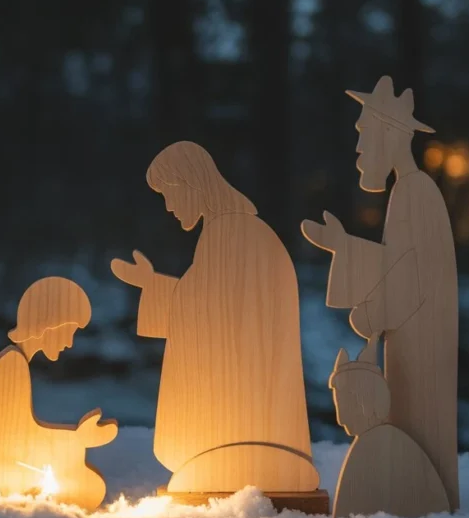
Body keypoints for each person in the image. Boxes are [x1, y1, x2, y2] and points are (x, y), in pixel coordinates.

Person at [111, 141, 318, 494]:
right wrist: (156, 286)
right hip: (247, 406)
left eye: (170, 194)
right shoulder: (228, 231)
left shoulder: (234, 233)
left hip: (253, 409)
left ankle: (232, 459)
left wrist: (166, 295)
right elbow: (212, 303)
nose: (170, 207)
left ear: (193, 184)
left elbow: (222, 316)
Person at [302, 77, 459, 509]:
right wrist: (346, 249)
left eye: (364, 133)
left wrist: (370, 316)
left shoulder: (415, 191)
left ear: (390, 133)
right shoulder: (408, 191)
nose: (358, 147)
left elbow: (418, 274)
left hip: (422, 347)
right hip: (410, 342)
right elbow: (401, 263)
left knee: (418, 430)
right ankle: (407, 494)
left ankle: (423, 497)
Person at [0, 277, 118, 512]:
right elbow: (16, 438)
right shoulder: (11, 367)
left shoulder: (15, 363)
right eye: (69, 331)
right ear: (48, 325)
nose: (70, 343)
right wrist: (77, 439)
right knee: (85, 487)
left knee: (85, 485)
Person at [330, 335, 449, 518]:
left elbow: (346, 516)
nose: (340, 420)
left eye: (345, 405)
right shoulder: (373, 443)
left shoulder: (376, 446)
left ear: (367, 403)